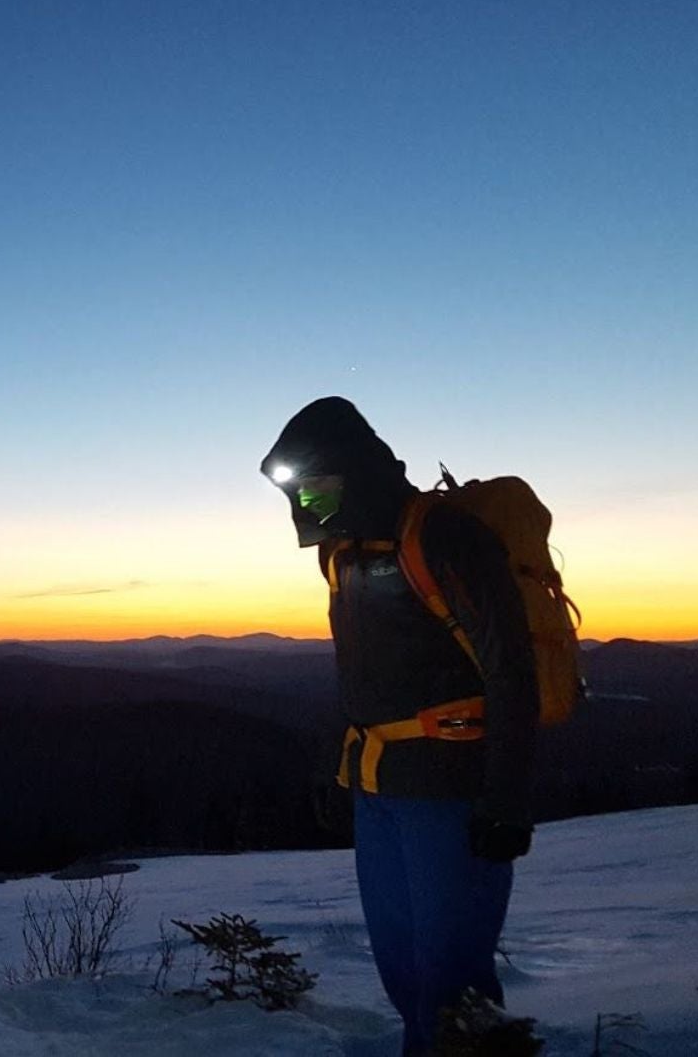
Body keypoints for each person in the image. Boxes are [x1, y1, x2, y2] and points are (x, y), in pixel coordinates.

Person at [260, 396, 539, 1055]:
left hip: (451, 793)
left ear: (351, 472)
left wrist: (506, 802)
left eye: (314, 485)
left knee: (453, 987)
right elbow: (365, 680)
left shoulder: (444, 537)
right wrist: (344, 772)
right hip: (379, 791)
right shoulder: (343, 553)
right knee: (406, 977)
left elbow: (512, 673)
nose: (307, 503)